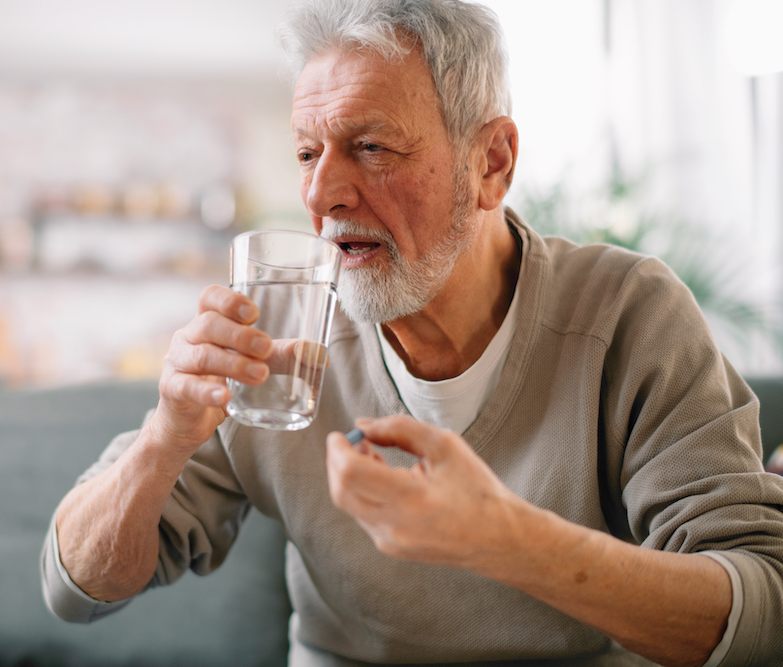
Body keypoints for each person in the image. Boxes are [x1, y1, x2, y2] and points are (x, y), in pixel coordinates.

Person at [41, 0, 783, 665]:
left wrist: (504, 539)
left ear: (491, 163)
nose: (320, 193)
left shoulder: (628, 314)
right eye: (307, 152)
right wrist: (165, 436)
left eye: (371, 146)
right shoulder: (280, 344)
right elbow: (74, 585)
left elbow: (762, 609)